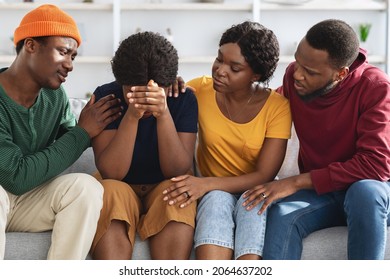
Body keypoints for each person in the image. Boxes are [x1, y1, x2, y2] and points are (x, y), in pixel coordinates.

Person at [243, 19, 390, 260]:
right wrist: (188, 95)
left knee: (364, 193)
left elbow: (376, 165)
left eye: (310, 72)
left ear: (341, 73)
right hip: (325, 192)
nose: (297, 75)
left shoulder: (375, 87)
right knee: (280, 212)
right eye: (297, 62)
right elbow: (266, 106)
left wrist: (296, 182)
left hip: (375, 189)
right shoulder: (294, 78)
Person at [161, 21, 292, 260]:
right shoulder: (199, 90)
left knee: (250, 202)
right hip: (213, 192)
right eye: (219, 59)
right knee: (216, 200)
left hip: (254, 189)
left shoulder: (278, 107)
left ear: (257, 74)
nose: (220, 70)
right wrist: (168, 84)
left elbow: (264, 175)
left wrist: (206, 184)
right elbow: (164, 109)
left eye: (235, 68)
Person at [0, 4, 121, 259]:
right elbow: (14, 177)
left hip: (28, 204)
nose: (70, 65)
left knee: (86, 187)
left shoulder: (55, 97)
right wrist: (82, 133)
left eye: (73, 57)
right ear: (31, 46)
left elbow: (72, 139)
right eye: (63, 52)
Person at [89, 31, 198, 260]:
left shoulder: (183, 98)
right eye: (133, 91)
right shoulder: (107, 97)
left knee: (178, 193)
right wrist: (131, 115)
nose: (144, 99)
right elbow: (112, 172)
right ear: (122, 82)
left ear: (167, 85)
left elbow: (176, 170)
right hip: (120, 185)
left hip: (163, 185)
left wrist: (164, 113)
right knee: (109, 191)